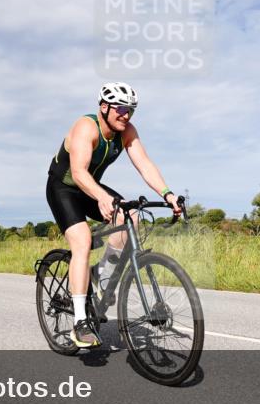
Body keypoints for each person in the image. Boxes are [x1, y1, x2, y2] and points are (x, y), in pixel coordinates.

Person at [46, 82, 181, 348]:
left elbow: (144, 164)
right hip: (64, 188)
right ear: (104, 108)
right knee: (82, 241)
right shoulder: (86, 127)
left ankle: (100, 276)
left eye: (131, 110)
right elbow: (78, 173)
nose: (126, 115)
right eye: (121, 109)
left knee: (130, 218)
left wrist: (168, 194)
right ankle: (81, 321)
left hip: (90, 188)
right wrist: (102, 197)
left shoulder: (127, 131)